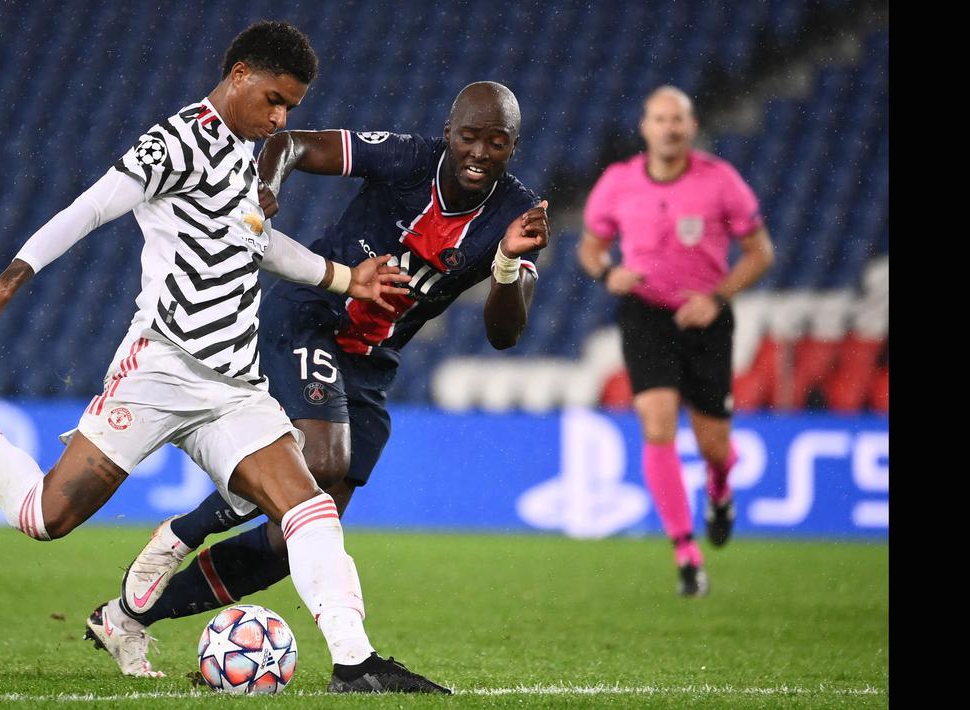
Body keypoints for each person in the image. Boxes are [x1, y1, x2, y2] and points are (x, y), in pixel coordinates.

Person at [0, 21, 449, 694]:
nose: (281, 118)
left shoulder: (245, 154)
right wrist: (5, 283)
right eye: (274, 100)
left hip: (234, 387)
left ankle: (355, 663)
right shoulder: (174, 142)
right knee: (43, 518)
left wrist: (348, 279)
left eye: (291, 107)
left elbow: (260, 242)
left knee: (309, 509)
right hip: (159, 370)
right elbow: (89, 209)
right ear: (239, 76)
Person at [93, 81, 550, 657]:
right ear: (447, 135)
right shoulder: (409, 159)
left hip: (370, 363)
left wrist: (507, 262)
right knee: (322, 459)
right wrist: (264, 183)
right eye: (468, 137)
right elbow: (295, 145)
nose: (480, 153)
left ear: (514, 146)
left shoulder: (518, 216)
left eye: (497, 142)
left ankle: (128, 615)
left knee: (299, 540)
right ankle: (185, 531)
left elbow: (504, 334)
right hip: (310, 316)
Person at [576, 86, 775, 597]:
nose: (669, 128)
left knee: (715, 446)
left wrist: (717, 296)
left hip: (705, 318)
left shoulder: (720, 180)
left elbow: (759, 252)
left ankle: (720, 489)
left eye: (678, 120)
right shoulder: (618, 182)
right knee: (657, 421)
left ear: (691, 127)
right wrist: (606, 273)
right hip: (646, 314)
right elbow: (591, 247)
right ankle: (686, 553)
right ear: (645, 127)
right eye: (660, 119)